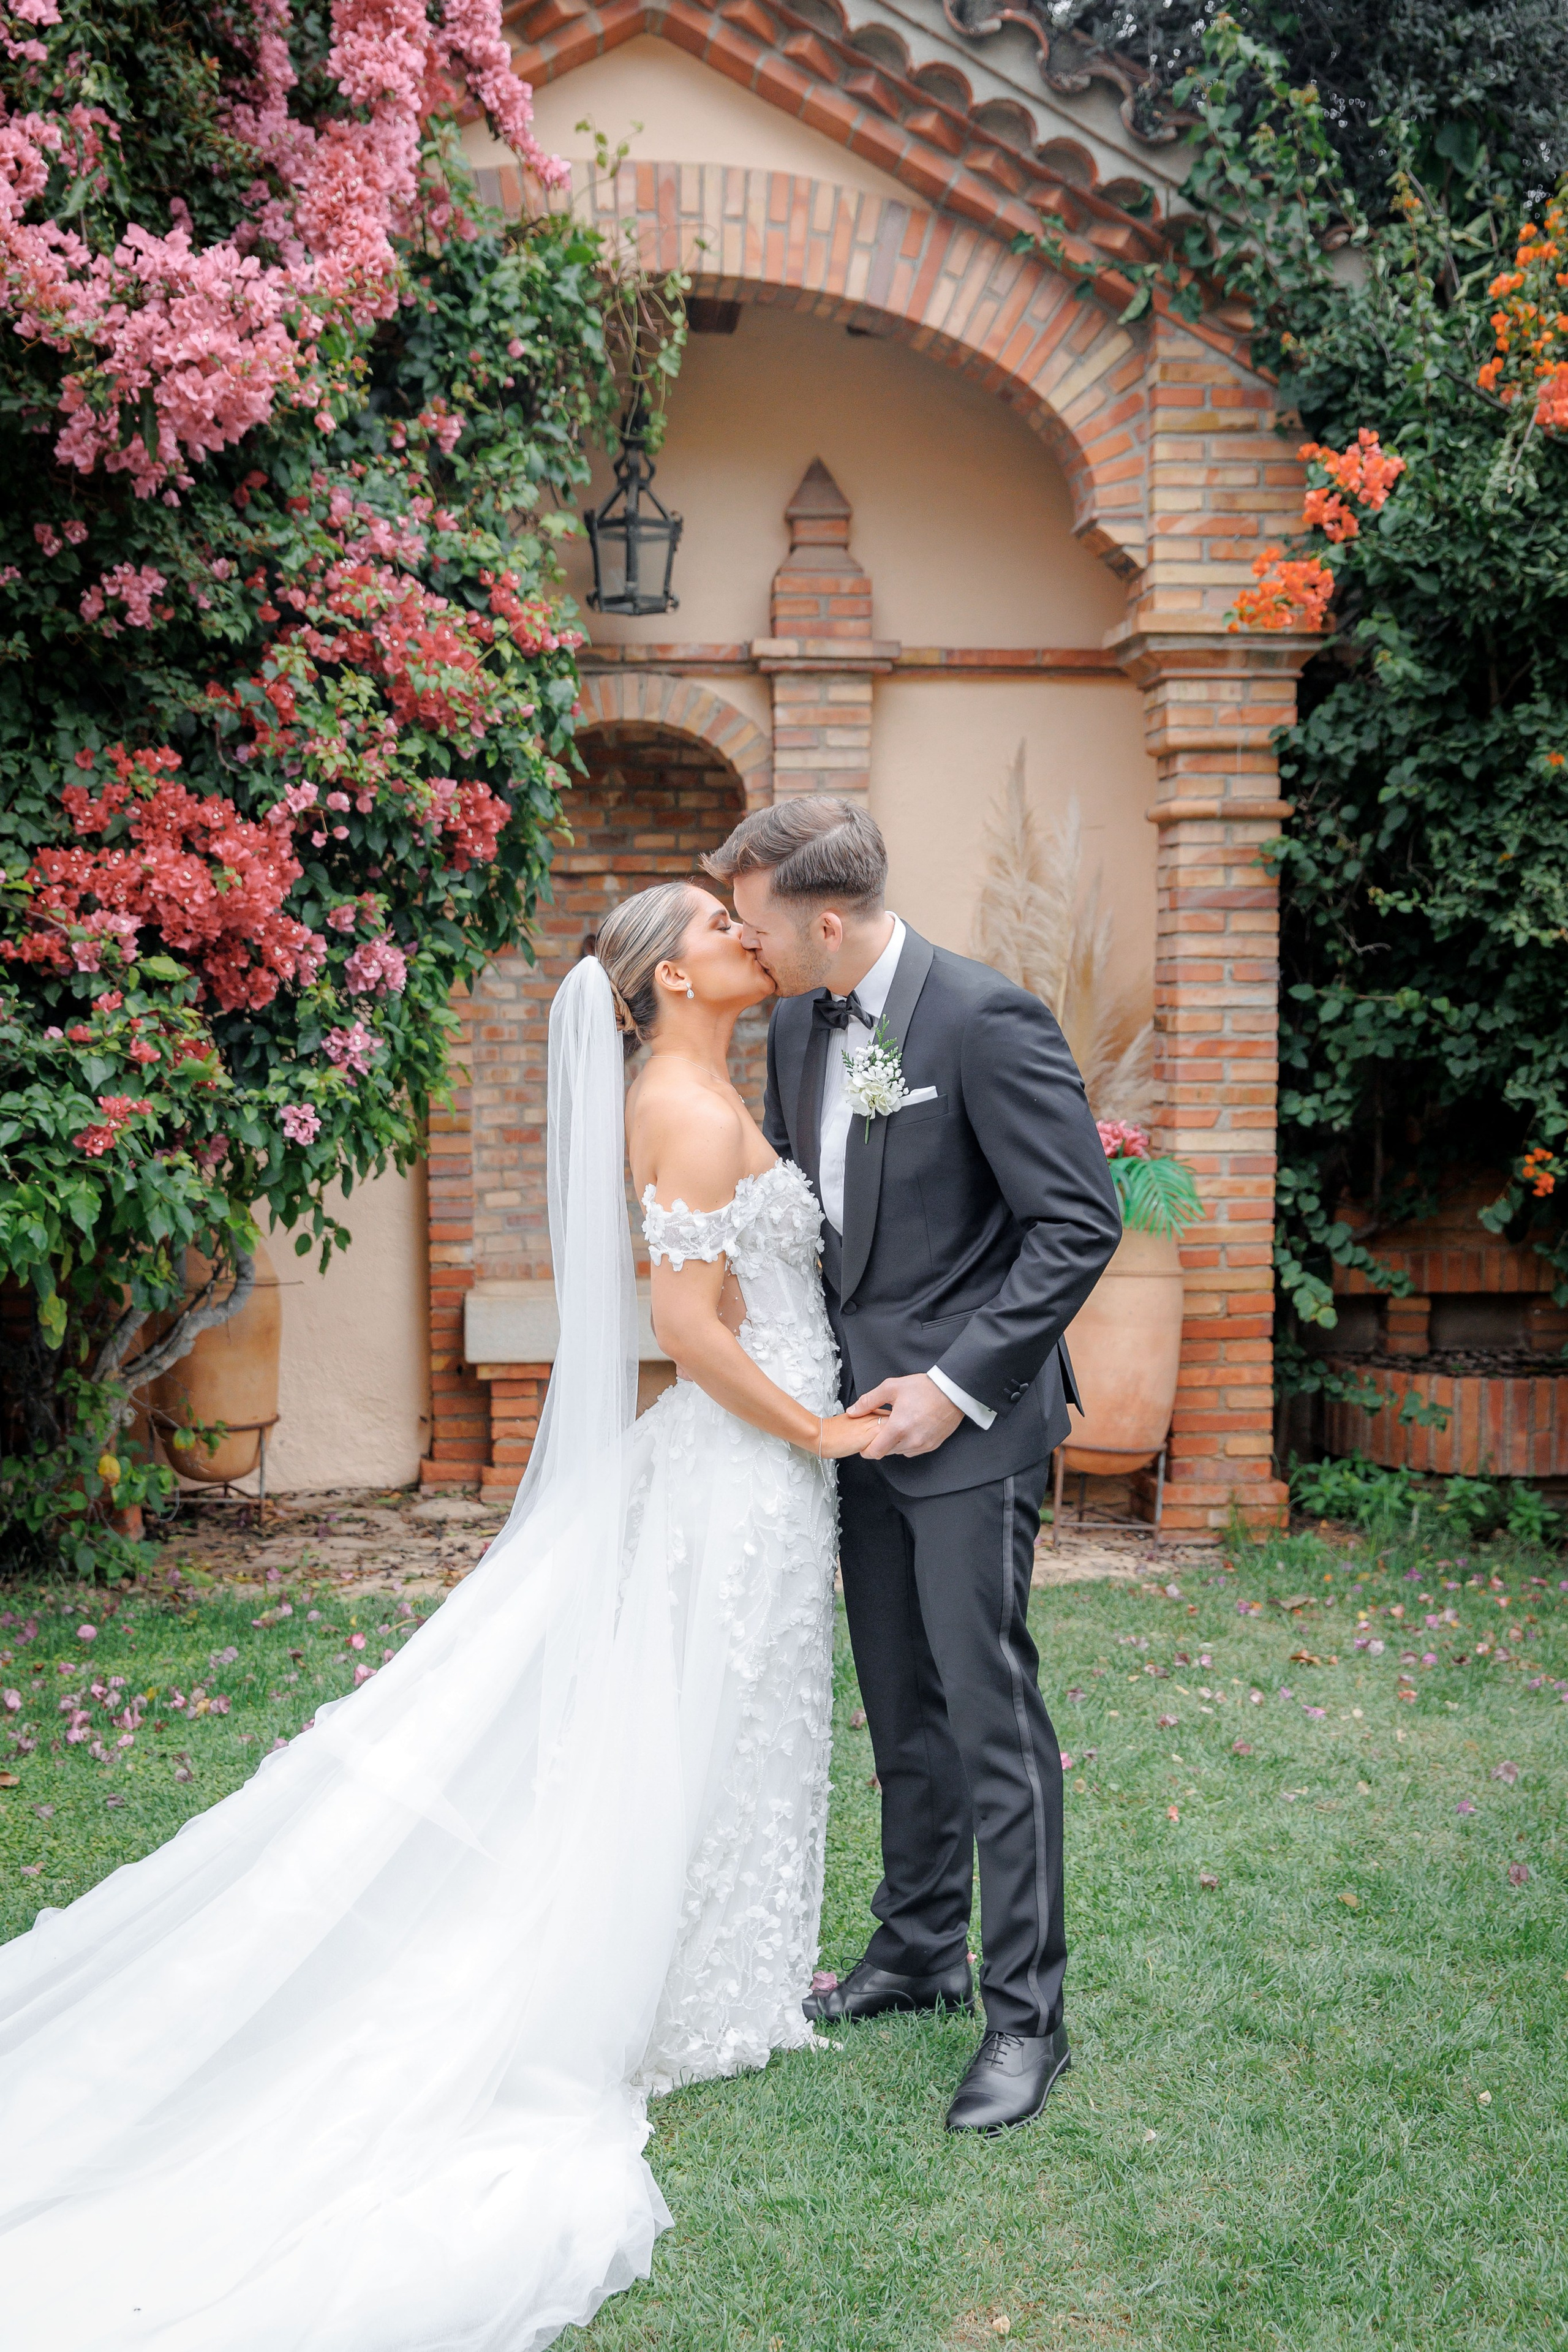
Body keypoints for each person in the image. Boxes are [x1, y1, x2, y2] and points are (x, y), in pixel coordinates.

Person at [0, 881, 876, 2350]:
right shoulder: (685, 1105)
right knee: (703, 1706)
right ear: (668, 981)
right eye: (716, 927)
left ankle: (716, 1977)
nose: (746, 934)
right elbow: (684, 1329)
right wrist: (820, 1428)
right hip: (746, 1460)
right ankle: (680, 1993)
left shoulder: (710, 1086)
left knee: (718, 1712)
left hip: (750, 1466)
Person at [705, 796, 1121, 2133]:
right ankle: (916, 1950)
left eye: (755, 925)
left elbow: (1078, 1221)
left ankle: (1027, 2020)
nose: (745, 945)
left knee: (990, 1715)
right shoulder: (794, 1024)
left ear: (825, 922)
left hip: (970, 1427)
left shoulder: (985, 1020)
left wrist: (951, 1387)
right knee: (899, 1702)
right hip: (849, 1421)